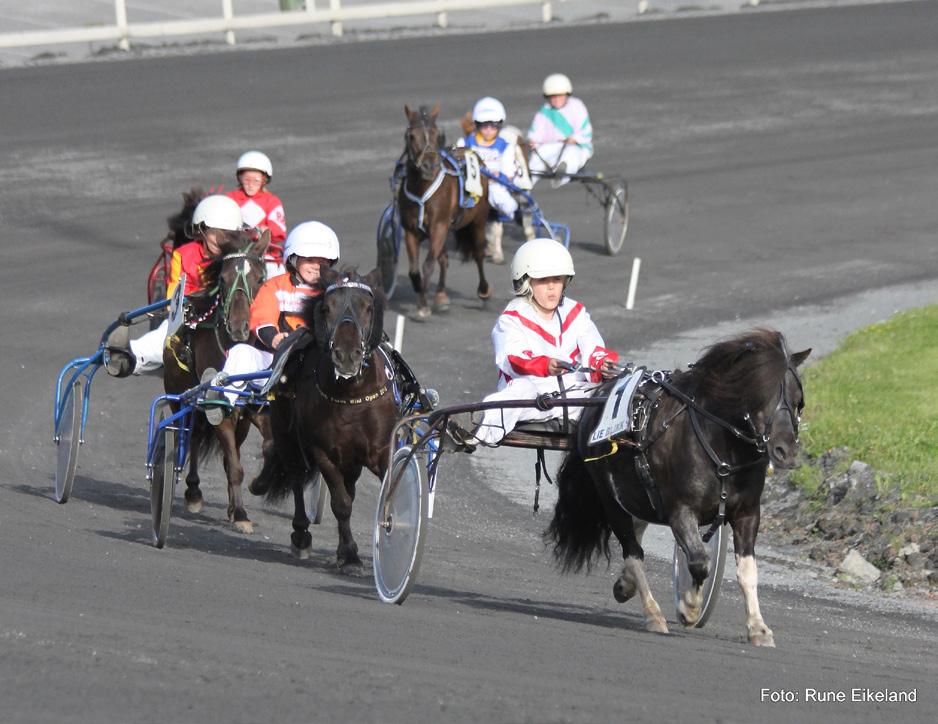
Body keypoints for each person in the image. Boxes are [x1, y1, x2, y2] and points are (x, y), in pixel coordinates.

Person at [452, 238, 618, 448]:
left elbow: (592, 345)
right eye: (543, 280)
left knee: (615, 388)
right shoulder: (511, 319)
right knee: (520, 390)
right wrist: (545, 364)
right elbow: (513, 358)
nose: (551, 288)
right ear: (525, 282)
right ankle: (472, 429)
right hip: (535, 398)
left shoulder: (575, 312)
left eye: (557, 279)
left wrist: (602, 363)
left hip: (576, 395)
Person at [202, 221, 341, 424]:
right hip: (277, 364)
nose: (315, 267)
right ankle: (222, 400)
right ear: (293, 259)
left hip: (320, 367)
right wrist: (274, 338)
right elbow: (261, 317)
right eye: (309, 259)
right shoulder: (275, 286)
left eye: (323, 262)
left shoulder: (335, 290)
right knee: (242, 352)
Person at [104, 195, 245, 378]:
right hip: (191, 319)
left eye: (227, 235)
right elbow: (174, 300)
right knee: (161, 340)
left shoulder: (239, 259)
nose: (220, 240)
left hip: (231, 321)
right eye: (215, 233)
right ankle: (128, 358)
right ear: (201, 230)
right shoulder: (183, 255)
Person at [457, 96, 522, 264]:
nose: (487, 130)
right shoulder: (465, 142)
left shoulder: (505, 146)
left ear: (499, 125)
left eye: (492, 126)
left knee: (500, 199)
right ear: (477, 125)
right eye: (483, 126)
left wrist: (494, 176)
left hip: (494, 185)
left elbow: (508, 172)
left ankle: (516, 213)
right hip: (471, 186)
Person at [226, 150, 288, 277]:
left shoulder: (271, 201)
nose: (250, 185)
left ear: (264, 180)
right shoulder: (230, 199)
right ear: (240, 178)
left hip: (266, 256)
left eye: (256, 181)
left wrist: (262, 231)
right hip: (235, 253)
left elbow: (279, 232)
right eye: (247, 180)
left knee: (276, 277)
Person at [527, 73, 594, 187]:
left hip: (576, 147)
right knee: (535, 158)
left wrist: (575, 139)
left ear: (567, 94)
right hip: (553, 147)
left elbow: (585, 131)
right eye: (553, 96)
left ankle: (561, 175)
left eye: (560, 96)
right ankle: (523, 189)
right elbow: (535, 133)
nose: (557, 99)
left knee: (570, 154)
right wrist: (533, 142)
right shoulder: (544, 111)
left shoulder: (577, 106)